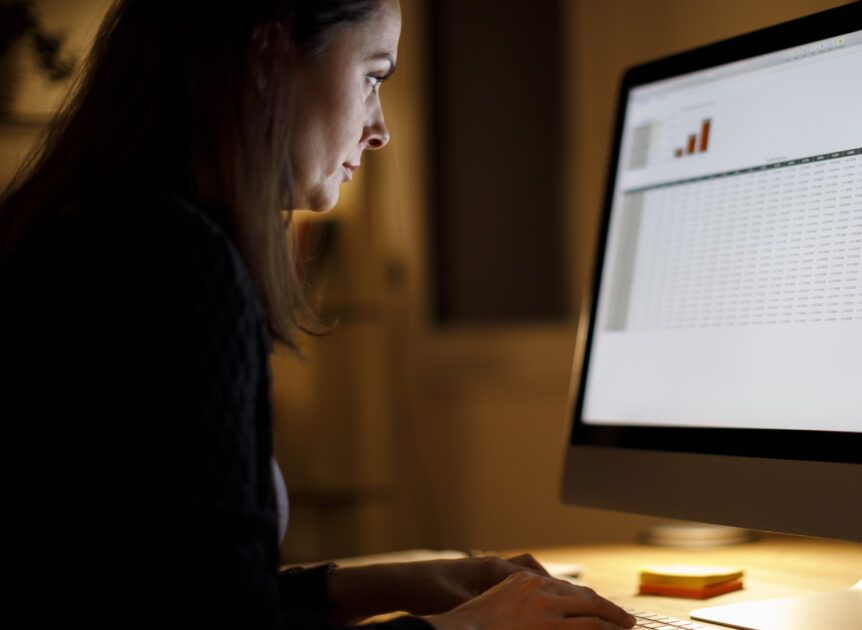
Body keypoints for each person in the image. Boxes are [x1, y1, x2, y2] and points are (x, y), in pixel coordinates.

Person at [0, 1, 637, 628]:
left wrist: (417, 581)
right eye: (373, 76)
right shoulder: (172, 264)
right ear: (267, 52)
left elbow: (187, 589)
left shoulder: (90, 231)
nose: (381, 127)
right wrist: (481, 626)